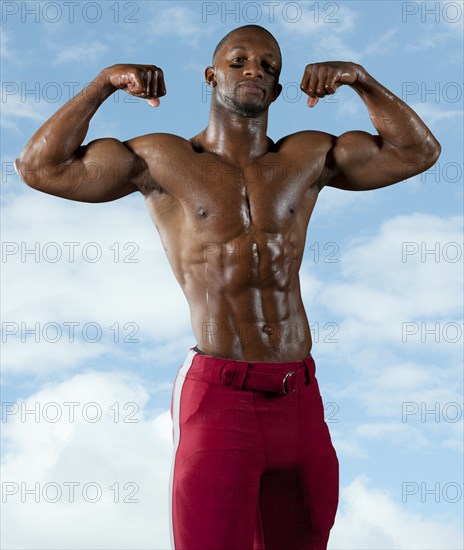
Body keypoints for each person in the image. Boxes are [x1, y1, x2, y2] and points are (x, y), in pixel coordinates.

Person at [16, 24, 440, 550]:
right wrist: (104, 83)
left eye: (268, 65)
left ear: (280, 90)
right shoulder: (159, 159)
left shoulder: (308, 156)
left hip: (299, 397)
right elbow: (40, 167)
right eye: (239, 61)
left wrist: (360, 79)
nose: (253, 71)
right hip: (220, 398)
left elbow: (417, 152)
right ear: (212, 75)